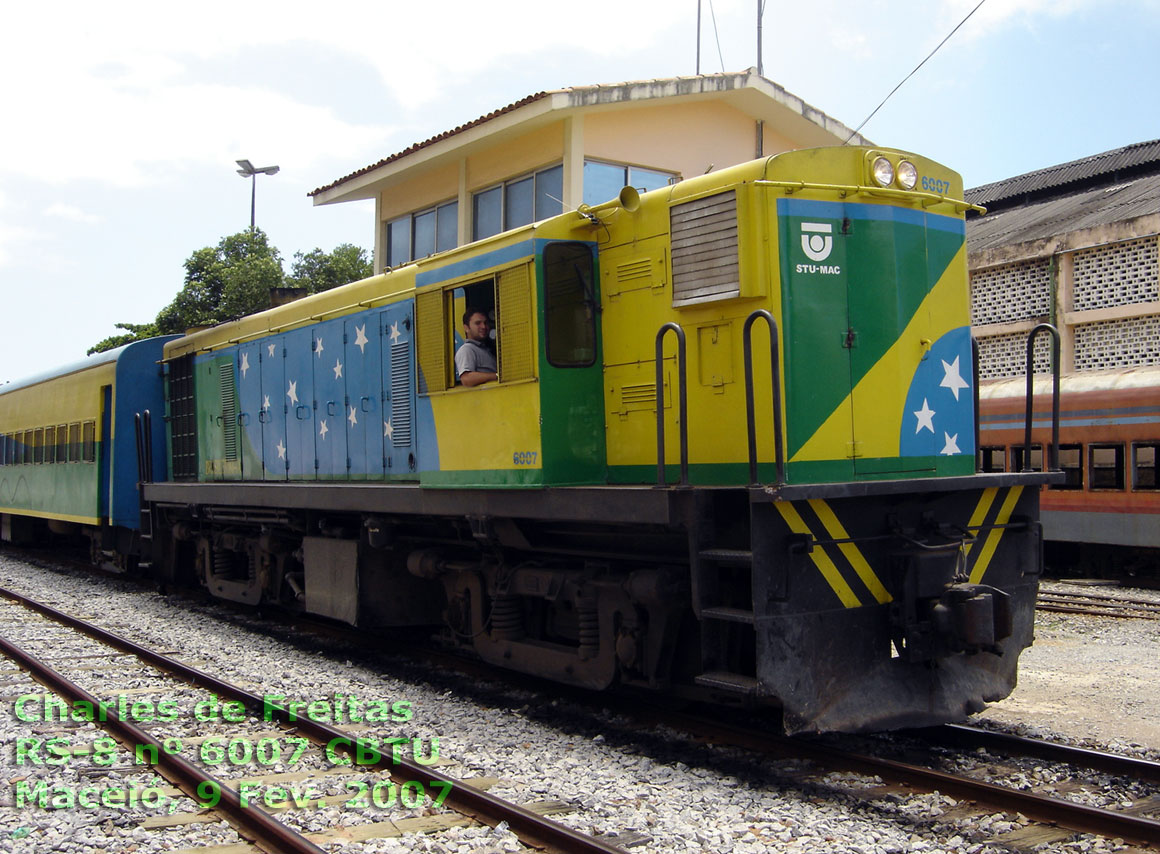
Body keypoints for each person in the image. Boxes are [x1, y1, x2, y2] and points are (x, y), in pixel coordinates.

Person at [455, 308, 498, 387]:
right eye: (478, 323)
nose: (483, 326)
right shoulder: (467, 349)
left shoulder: (485, 349)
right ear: (466, 328)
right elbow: (466, 379)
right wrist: (497, 376)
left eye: (485, 323)